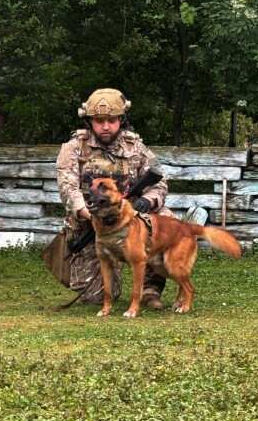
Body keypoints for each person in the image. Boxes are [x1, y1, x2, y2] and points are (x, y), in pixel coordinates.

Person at [55, 88, 172, 308]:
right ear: (90, 121)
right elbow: (68, 188)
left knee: (165, 220)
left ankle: (149, 290)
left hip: (131, 221)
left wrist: (148, 201)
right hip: (91, 227)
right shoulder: (74, 149)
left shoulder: (135, 148)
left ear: (121, 119)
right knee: (95, 299)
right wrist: (89, 213)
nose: (106, 126)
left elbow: (159, 183)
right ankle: (111, 265)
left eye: (111, 120)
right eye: (99, 121)